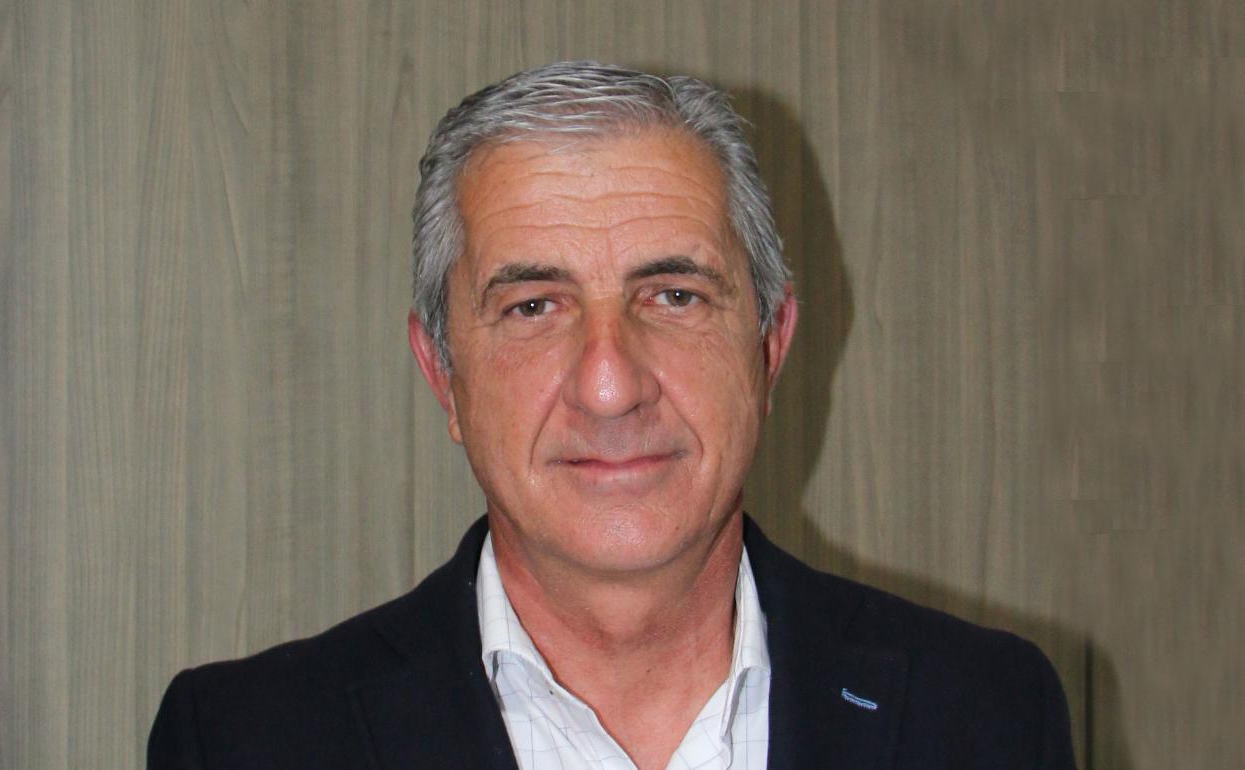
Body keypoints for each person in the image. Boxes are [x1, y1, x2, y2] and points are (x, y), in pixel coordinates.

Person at [149, 61, 1076, 770]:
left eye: (674, 295)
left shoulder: (988, 717)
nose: (608, 384)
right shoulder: (241, 742)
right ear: (442, 374)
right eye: (533, 307)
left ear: (769, 347)